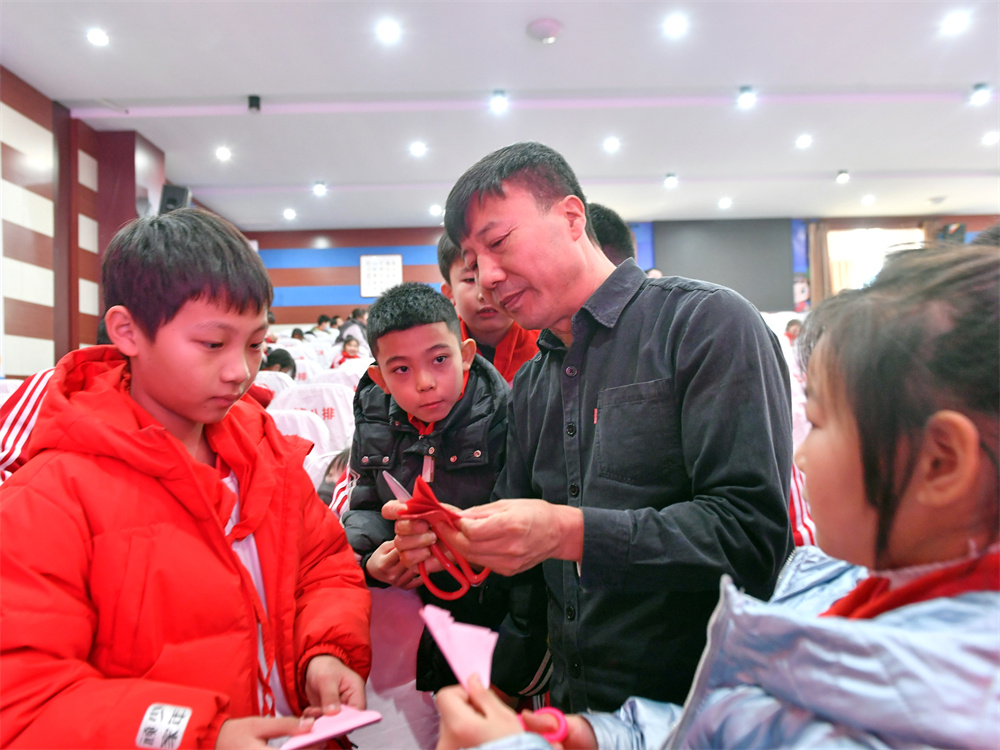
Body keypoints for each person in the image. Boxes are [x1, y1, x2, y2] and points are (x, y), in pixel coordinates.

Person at [433, 241, 1000, 750]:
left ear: (941, 462)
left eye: (823, 423)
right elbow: (733, 722)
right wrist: (587, 735)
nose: (801, 457)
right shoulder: (834, 584)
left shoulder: (944, 696)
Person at [389, 142, 793, 712]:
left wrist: (569, 532)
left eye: (499, 243)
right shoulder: (531, 383)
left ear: (572, 217)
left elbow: (752, 536)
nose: (488, 280)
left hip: (702, 710)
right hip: (572, 707)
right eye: (473, 264)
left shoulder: (705, 324)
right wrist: (454, 543)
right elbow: (519, 535)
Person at [0, 208, 372, 749]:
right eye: (213, 344)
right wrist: (201, 737)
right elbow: (25, 700)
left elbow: (323, 567)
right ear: (127, 331)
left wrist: (327, 651)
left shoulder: (262, 450)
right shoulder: (48, 498)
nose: (240, 371)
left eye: (255, 344)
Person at [340, 282, 523, 694]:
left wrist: (462, 545)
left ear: (466, 355)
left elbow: (523, 525)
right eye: (401, 369)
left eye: (440, 359)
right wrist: (369, 560)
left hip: (492, 612)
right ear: (379, 378)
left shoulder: (506, 417)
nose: (424, 382)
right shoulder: (373, 418)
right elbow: (366, 502)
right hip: (411, 616)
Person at [437, 233, 539, 384]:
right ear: (449, 293)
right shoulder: (437, 351)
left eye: (497, 276)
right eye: (470, 280)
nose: (483, 294)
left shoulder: (546, 345)